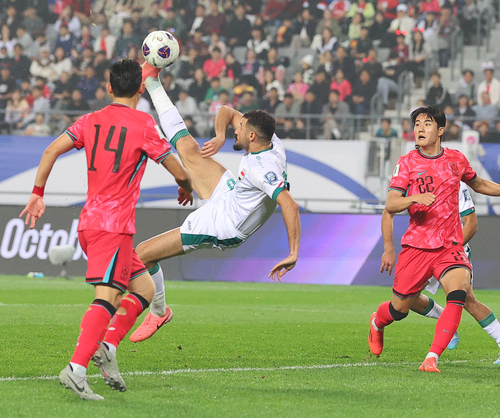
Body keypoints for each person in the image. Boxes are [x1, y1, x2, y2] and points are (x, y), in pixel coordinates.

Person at [19, 59, 193, 401]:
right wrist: (185, 185)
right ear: (141, 89)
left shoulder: (90, 120)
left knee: (143, 288)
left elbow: (51, 149)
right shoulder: (144, 124)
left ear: (109, 87)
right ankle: (77, 369)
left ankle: (108, 347)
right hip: (112, 226)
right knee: (109, 296)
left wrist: (37, 194)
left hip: (92, 222)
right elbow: (179, 168)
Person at [125, 62, 301, 343]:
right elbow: (227, 111)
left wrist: (293, 252)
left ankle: (159, 312)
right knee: (187, 147)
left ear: (251, 136)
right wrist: (220, 135)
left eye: (240, 130)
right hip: (230, 195)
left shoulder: (262, 170)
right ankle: (153, 82)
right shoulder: (270, 140)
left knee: (142, 254)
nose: (236, 130)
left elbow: (289, 205)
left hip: (224, 224)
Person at [367, 105, 500, 373]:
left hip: (449, 247)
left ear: (441, 130)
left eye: (427, 123)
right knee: (400, 308)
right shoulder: (407, 163)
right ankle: (378, 322)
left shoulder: (456, 160)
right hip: (416, 247)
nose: (420, 128)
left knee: (459, 293)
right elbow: (390, 205)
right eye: (417, 124)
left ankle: (432, 357)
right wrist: (413, 199)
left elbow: (479, 183)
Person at [380, 182, 500, 364]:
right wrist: (388, 248)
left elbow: (471, 223)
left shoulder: (454, 182)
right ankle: (447, 320)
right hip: (420, 251)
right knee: (408, 299)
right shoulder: (410, 177)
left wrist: (450, 250)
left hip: (450, 251)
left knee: (466, 299)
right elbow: (388, 210)